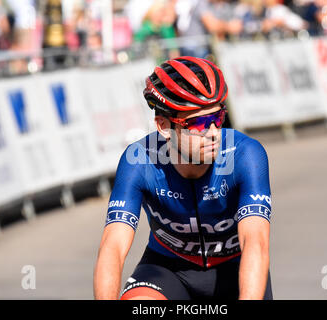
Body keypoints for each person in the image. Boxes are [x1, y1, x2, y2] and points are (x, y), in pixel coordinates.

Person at [93, 56, 273, 300]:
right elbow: (112, 248)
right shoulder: (139, 160)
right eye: (198, 123)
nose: (212, 134)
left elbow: (256, 243)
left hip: (235, 270)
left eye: (217, 118)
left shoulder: (245, 154)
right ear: (164, 126)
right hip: (168, 270)